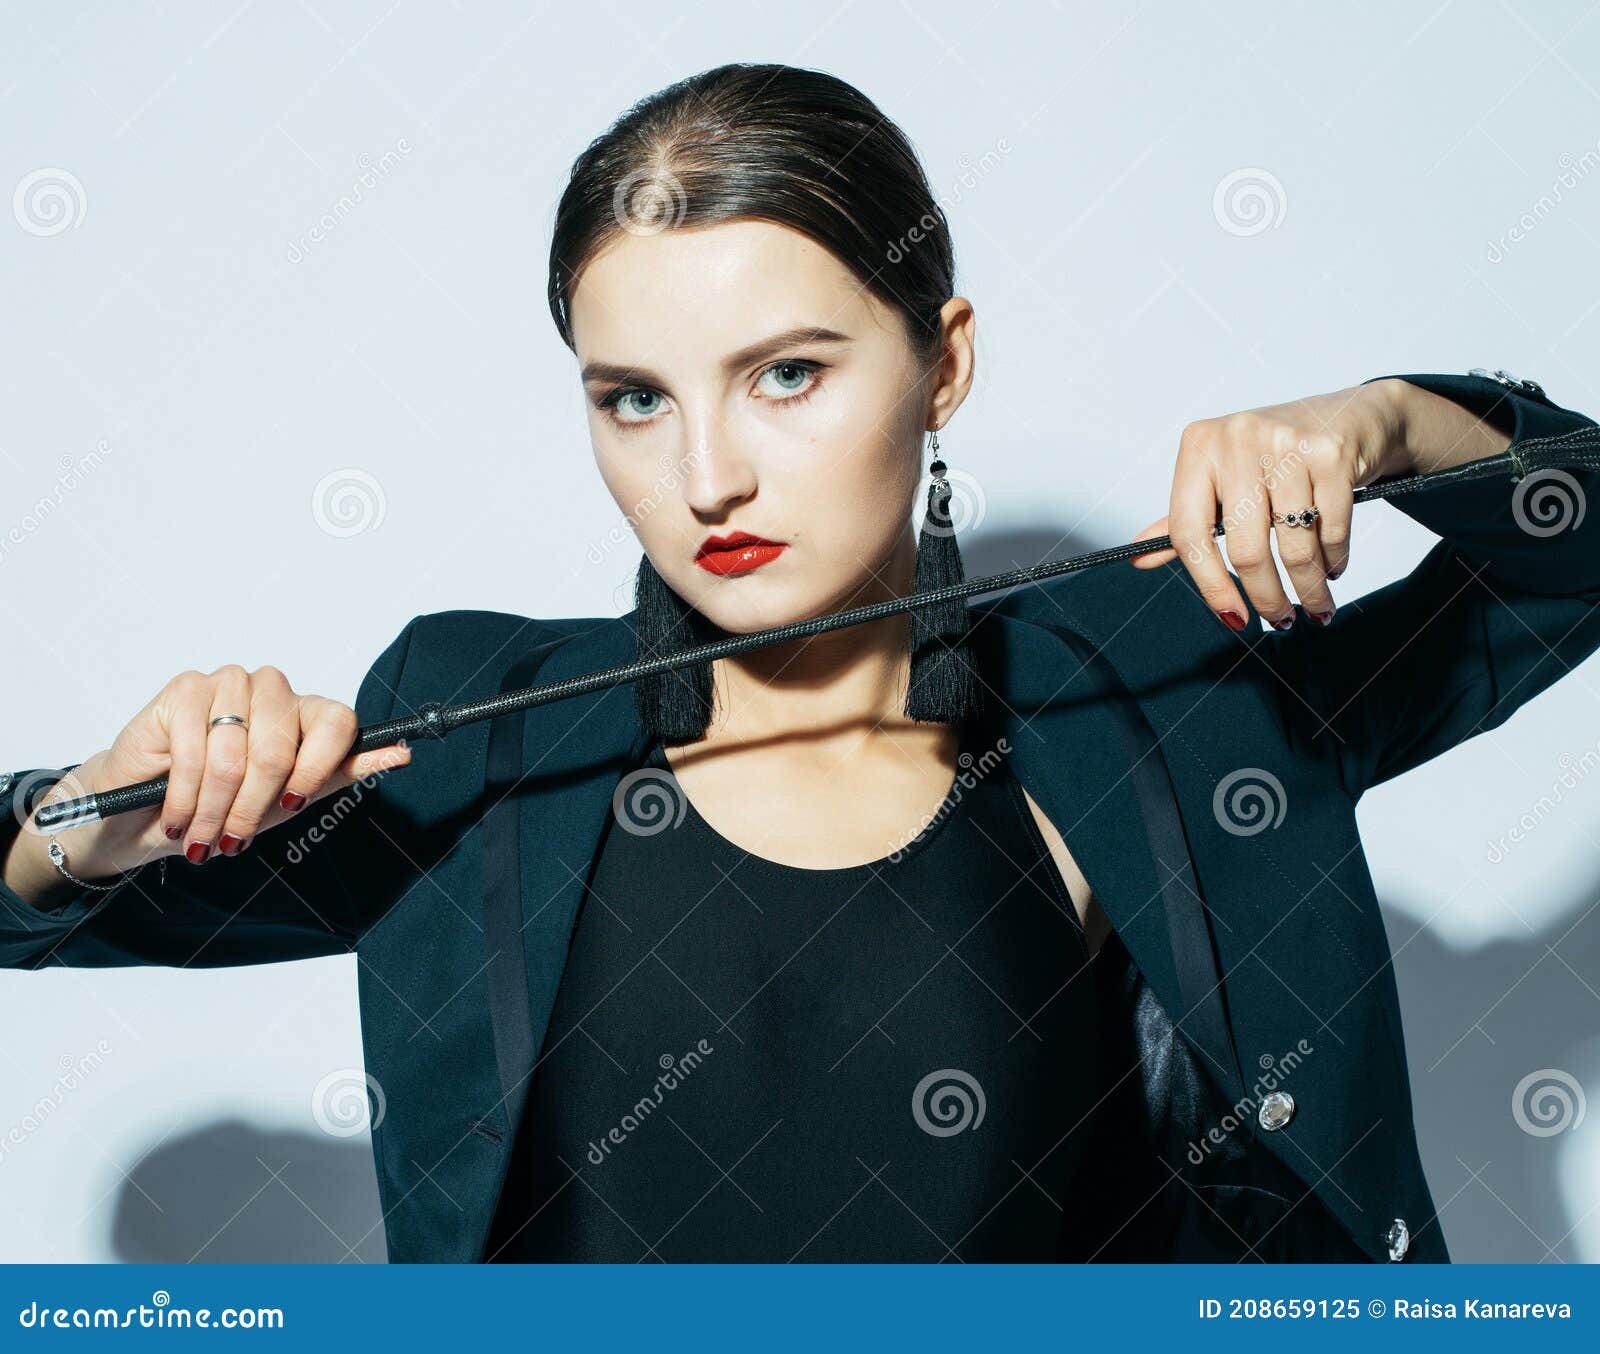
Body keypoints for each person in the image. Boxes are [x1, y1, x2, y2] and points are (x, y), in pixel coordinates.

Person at [2, 62, 1596, 1264]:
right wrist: (86, 814)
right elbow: (23, 903)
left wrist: (1382, 424)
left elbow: (1571, 551)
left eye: (786, 375)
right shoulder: (474, 734)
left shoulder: (1154, 696)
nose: (707, 475)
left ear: (943, 360)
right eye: (634, 396)